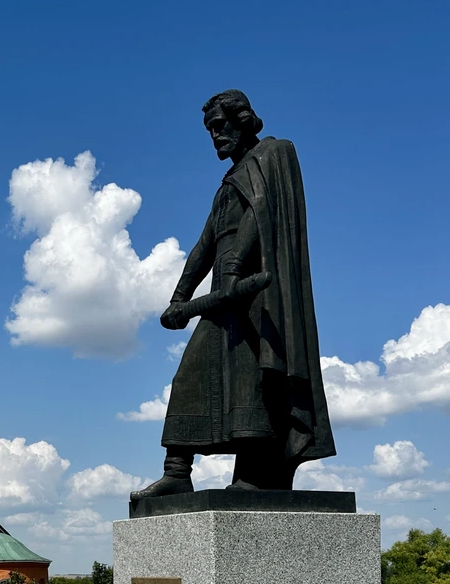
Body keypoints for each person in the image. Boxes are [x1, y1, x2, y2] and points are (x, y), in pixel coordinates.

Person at [132, 89, 335, 498]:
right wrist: (179, 297)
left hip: (260, 297)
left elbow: (264, 212)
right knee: (190, 375)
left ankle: (255, 473)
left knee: (254, 381)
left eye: (219, 126)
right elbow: (206, 242)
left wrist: (236, 266)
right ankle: (177, 471)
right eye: (209, 130)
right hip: (223, 295)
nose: (215, 136)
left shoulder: (274, 153)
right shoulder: (227, 183)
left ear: (241, 120)